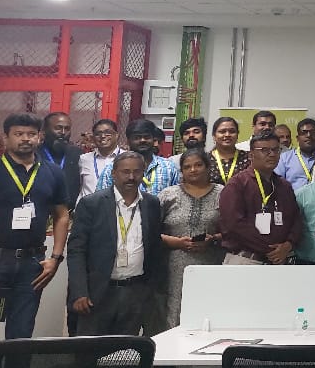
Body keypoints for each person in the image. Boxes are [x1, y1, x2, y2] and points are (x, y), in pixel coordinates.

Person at [0, 114, 70, 358]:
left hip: (32, 265)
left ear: (39, 137)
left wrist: (55, 258)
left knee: (20, 337)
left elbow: (62, 215)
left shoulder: (52, 173)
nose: (25, 139)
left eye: (31, 134)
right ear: (5, 138)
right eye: (18, 134)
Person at [68, 151, 163, 336]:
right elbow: (76, 251)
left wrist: (151, 290)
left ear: (143, 173)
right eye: (125, 171)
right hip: (98, 292)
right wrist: (79, 292)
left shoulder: (151, 204)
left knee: (125, 349)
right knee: (91, 348)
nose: (131, 177)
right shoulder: (92, 204)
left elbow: (155, 248)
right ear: (113, 173)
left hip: (135, 292)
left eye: (136, 172)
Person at [158, 149, 224, 330]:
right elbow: (150, 232)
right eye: (187, 167)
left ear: (208, 167)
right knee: (174, 312)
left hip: (212, 264)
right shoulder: (168, 195)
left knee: (209, 312)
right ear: (181, 171)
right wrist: (176, 242)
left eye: (198, 165)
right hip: (174, 268)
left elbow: (235, 230)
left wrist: (213, 239)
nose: (193, 170)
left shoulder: (223, 193)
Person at [218, 130, 302, 265]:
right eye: (264, 150)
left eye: (276, 150)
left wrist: (288, 244)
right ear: (251, 155)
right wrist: (270, 248)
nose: (272, 154)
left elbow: (296, 219)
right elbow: (233, 225)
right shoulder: (237, 184)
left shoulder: (284, 186)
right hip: (246, 259)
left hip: (280, 259)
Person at [96, 119, 180, 195]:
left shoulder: (168, 167)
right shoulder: (113, 168)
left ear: (153, 140)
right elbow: (101, 199)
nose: (142, 140)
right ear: (128, 141)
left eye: (147, 137)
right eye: (137, 137)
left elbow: (177, 198)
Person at [39, 111, 84, 208]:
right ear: (44, 131)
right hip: (41, 211)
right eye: (58, 128)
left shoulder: (77, 154)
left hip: (70, 212)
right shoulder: (35, 154)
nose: (63, 132)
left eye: (67, 129)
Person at [79, 118, 122, 197]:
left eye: (108, 133)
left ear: (116, 135)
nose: (102, 136)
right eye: (98, 134)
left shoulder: (127, 158)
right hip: (88, 204)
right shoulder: (84, 159)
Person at [274, 118, 315, 190]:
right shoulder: (284, 158)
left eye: (313, 132)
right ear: (297, 138)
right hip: (292, 197)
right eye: (304, 132)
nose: (308, 135)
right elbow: (277, 184)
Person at [207, 116, 250, 186]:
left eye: (232, 131)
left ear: (237, 135)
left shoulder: (249, 158)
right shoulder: (205, 159)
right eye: (222, 132)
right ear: (214, 136)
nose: (227, 135)